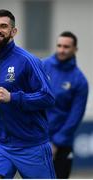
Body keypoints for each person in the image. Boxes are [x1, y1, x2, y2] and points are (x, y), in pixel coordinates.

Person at [0, 9, 56, 179]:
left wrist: (13, 97)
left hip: (31, 146)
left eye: (3, 26)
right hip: (1, 144)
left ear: (13, 32)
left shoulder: (28, 61)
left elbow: (48, 97)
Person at [42, 31, 89, 179]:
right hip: (38, 139)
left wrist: (56, 143)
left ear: (75, 49)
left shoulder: (80, 81)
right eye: (59, 46)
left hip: (62, 145)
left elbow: (75, 117)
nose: (62, 50)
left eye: (66, 47)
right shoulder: (42, 66)